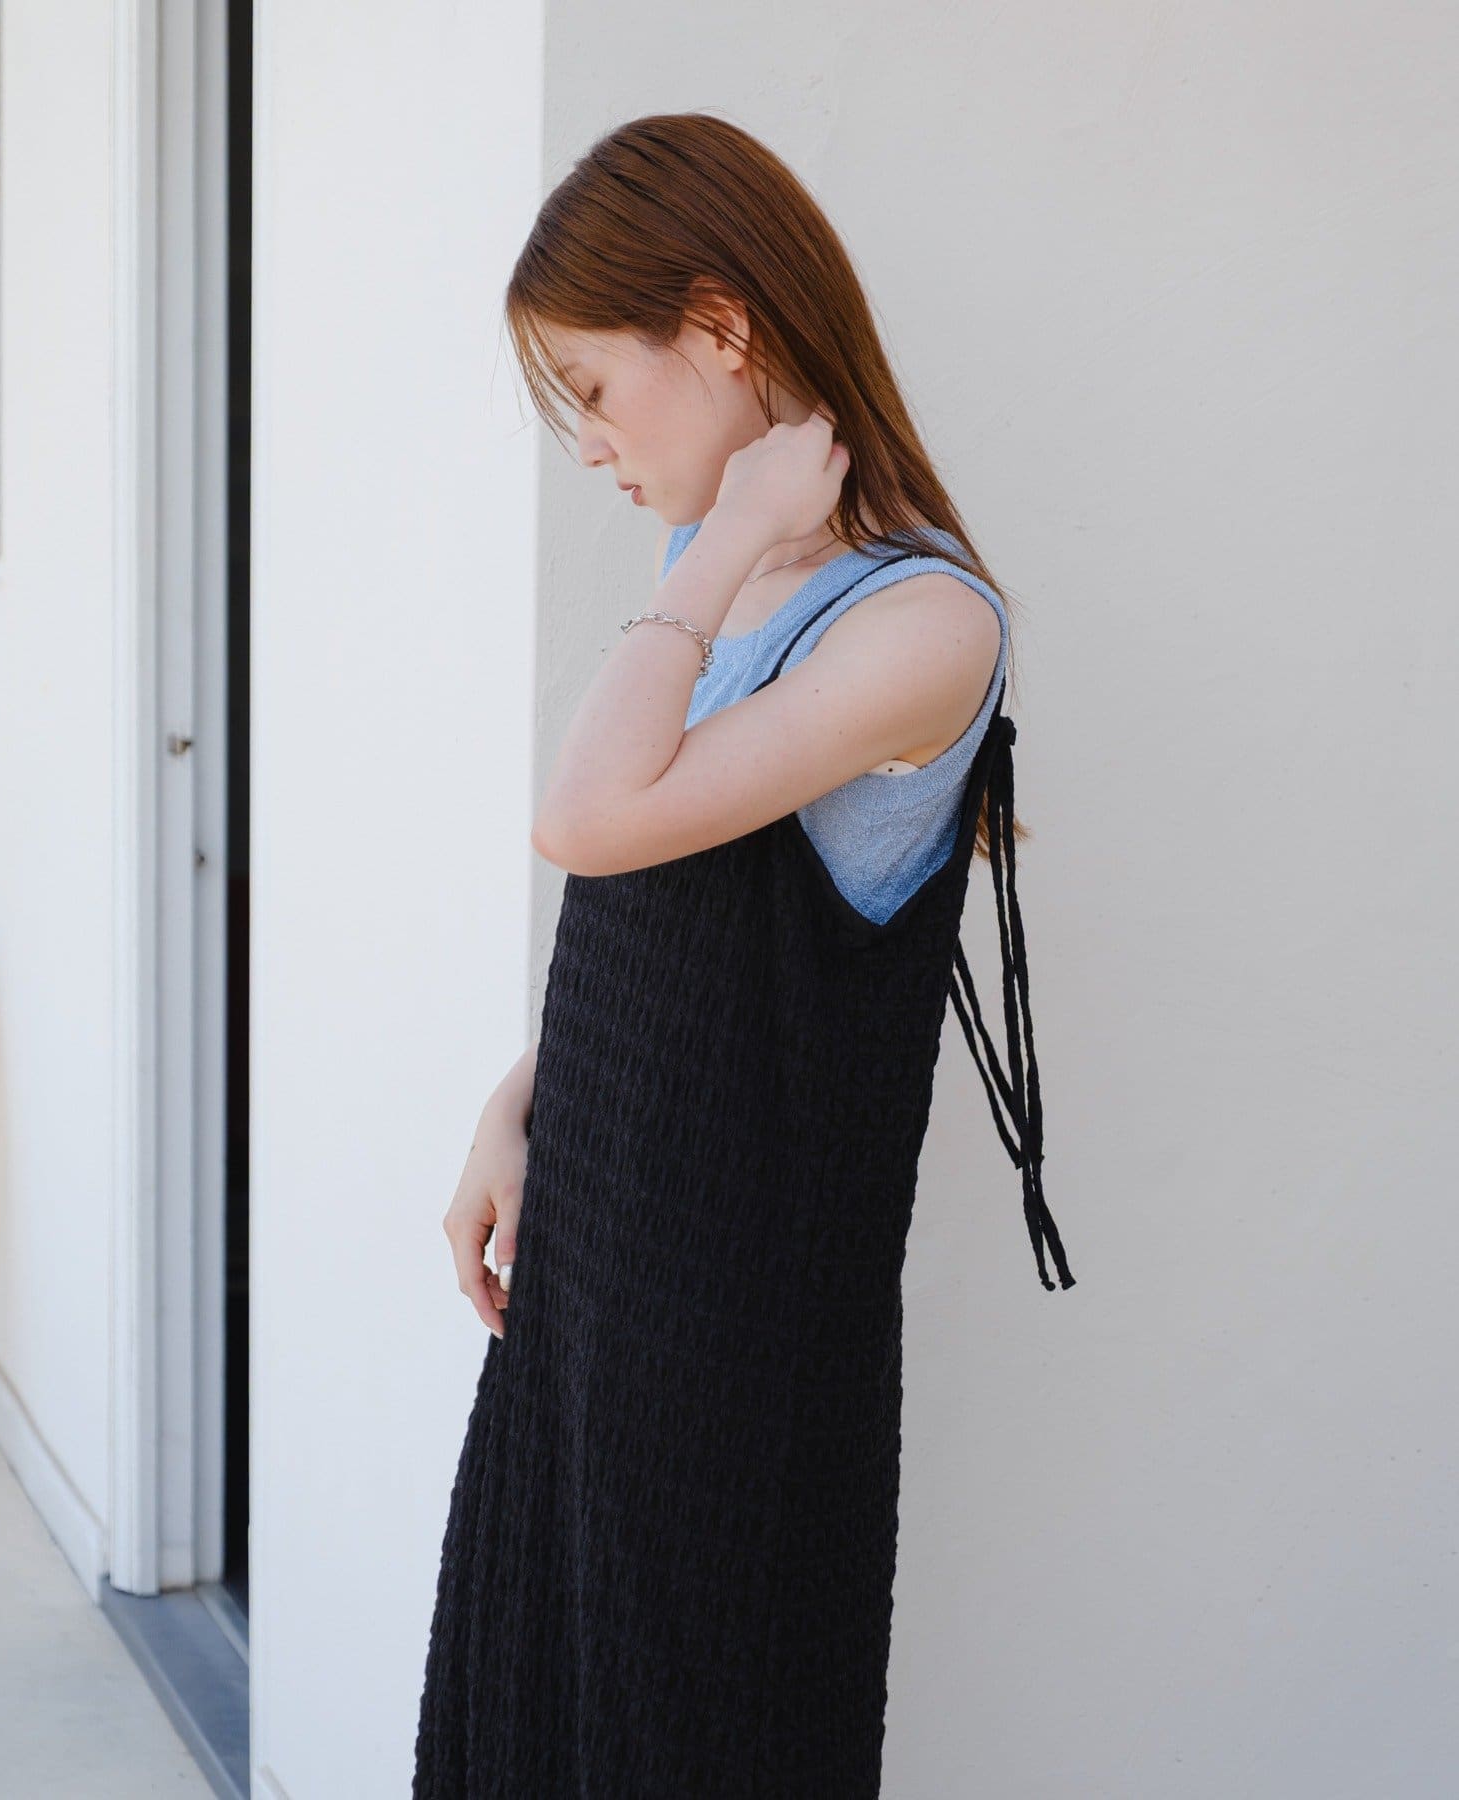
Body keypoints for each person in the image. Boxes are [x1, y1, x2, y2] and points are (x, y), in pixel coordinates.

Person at [413, 111, 1077, 1800]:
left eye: (593, 388)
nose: (587, 445)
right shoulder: (722, 584)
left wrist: (714, 552)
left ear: (719, 325)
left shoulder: (923, 625)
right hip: (597, 1290)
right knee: (529, 1717)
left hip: (728, 1347)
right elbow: (666, 931)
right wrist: (522, 1101)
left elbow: (581, 817)